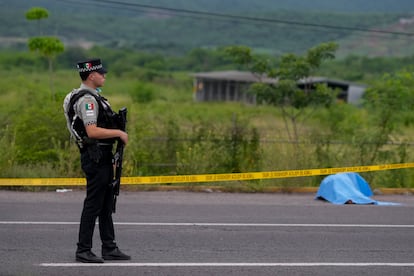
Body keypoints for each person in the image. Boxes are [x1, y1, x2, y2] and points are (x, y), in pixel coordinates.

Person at [63, 58, 130, 263]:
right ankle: (83, 250)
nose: (104, 76)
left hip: (102, 156)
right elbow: (91, 131)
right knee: (93, 204)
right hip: (96, 156)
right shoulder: (87, 100)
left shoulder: (84, 96)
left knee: (105, 203)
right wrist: (118, 132)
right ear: (91, 75)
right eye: (101, 73)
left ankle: (109, 247)